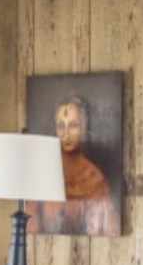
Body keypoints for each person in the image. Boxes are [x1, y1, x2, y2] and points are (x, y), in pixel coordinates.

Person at [33, 94, 120, 235]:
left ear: (84, 128)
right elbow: (30, 224)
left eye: (73, 125)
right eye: (61, 126)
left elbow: (104, 231)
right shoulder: (43, 174)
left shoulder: (94, 178)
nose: (66, 133)